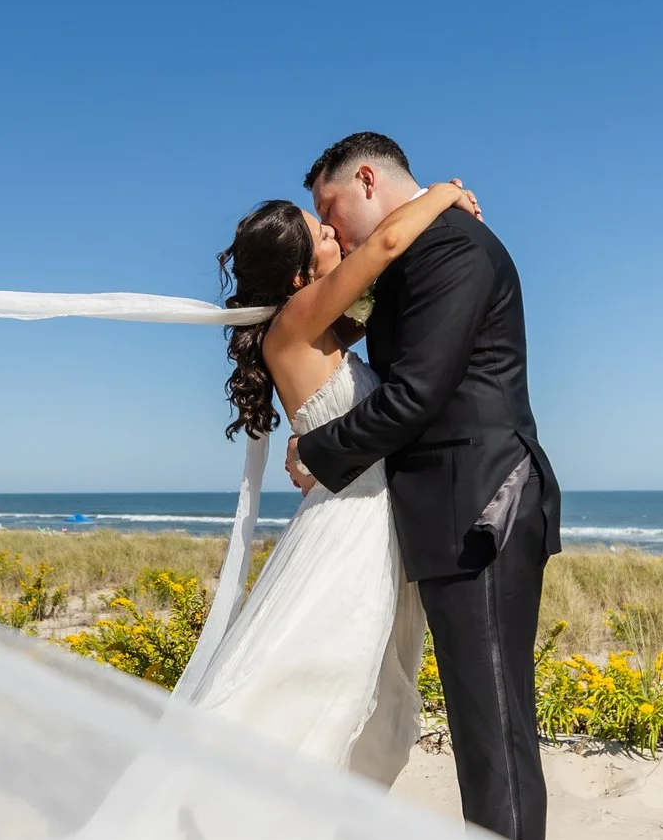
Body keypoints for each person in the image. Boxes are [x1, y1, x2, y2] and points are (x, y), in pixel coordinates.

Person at [290, 132, 560, 840]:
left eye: (332, 206)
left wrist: (315, 452)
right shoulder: (423, 247)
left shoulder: (450, 249)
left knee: (495, 732)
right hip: (449, 513)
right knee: (482, 726)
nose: (333, 227)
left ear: (368, 181)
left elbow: (415, 396)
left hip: (483, 510)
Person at [171, 176, 481, 785]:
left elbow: (383, 311)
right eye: (321, 234)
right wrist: (444, 192)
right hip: (349, 527)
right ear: (295, 276)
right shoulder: (298, 317)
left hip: (368, 519)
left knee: (355, 695)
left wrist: (304, 444)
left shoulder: (319, 327)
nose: (335, 232)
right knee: (315, 685)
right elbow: (388, 242)